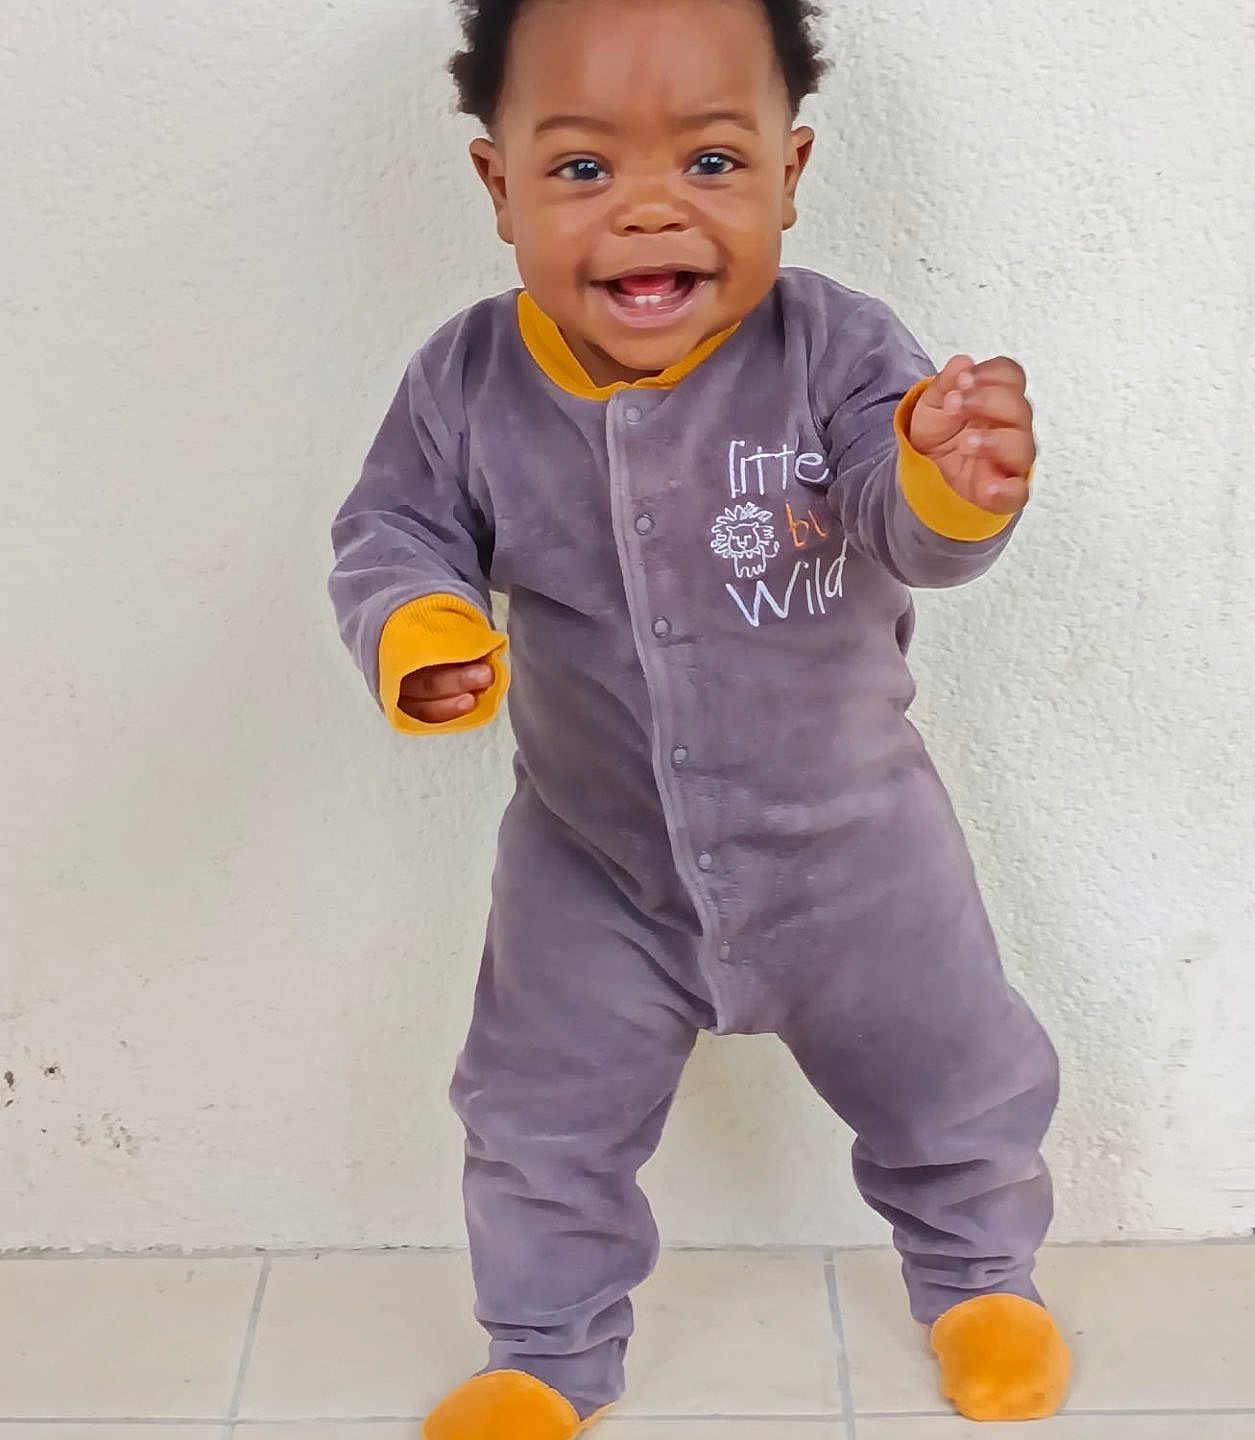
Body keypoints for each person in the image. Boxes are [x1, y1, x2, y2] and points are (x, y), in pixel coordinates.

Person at [329, 0, 1069, 1433]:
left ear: (792, 172)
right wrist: (420, 630)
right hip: (593, 862)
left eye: (714, 164)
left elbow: (898, 519)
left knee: (954, 1068)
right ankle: (542, 1353)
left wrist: (950, 480)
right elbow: (392, 533)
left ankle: (984, 1274)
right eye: (587, 169)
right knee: (535, 1118)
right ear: (500, 185)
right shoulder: (466, 385)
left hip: (855, 849)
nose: (652, 211)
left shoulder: (841, 352)